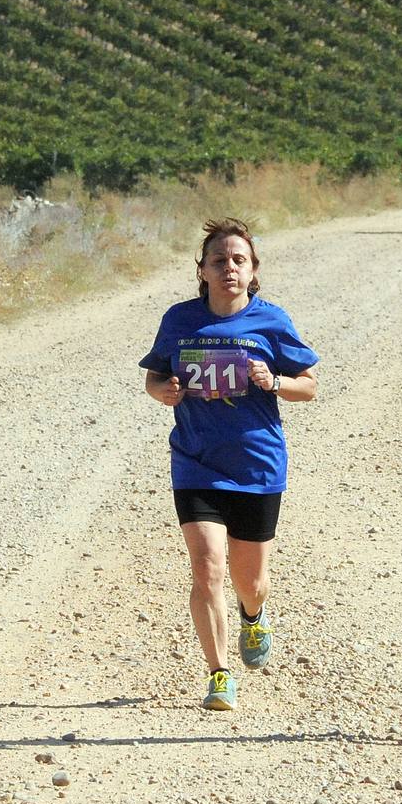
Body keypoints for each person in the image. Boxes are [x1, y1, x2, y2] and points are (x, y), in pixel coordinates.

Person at [139, 218, 319, 710]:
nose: (229, 269)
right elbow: (154, 378)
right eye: (219, 261)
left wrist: (274, 382)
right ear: (202, 270)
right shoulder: (179, 320)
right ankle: (219, 674)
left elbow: (309, 385)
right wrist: (165, 391)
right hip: (195, 461)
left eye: (239, 260)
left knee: (251, 583)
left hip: (256, 465)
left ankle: (253, 615)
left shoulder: (271, 321)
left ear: (253, 269)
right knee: (206, 568)